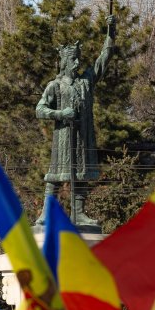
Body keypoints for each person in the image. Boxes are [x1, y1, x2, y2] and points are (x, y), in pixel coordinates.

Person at [34, 15, 115, 229]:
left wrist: (111, 33)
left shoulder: (86, 81)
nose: (77, 62)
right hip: (62, 138)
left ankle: (78, 214)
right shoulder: (55, 85)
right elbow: (40, 109)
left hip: (83, 136)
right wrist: (61, 114)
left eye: (78, 58)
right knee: (55, 174)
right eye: (73, 60)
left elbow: (103, 60)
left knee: (81, 173)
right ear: (64, 62)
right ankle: (47, 212)